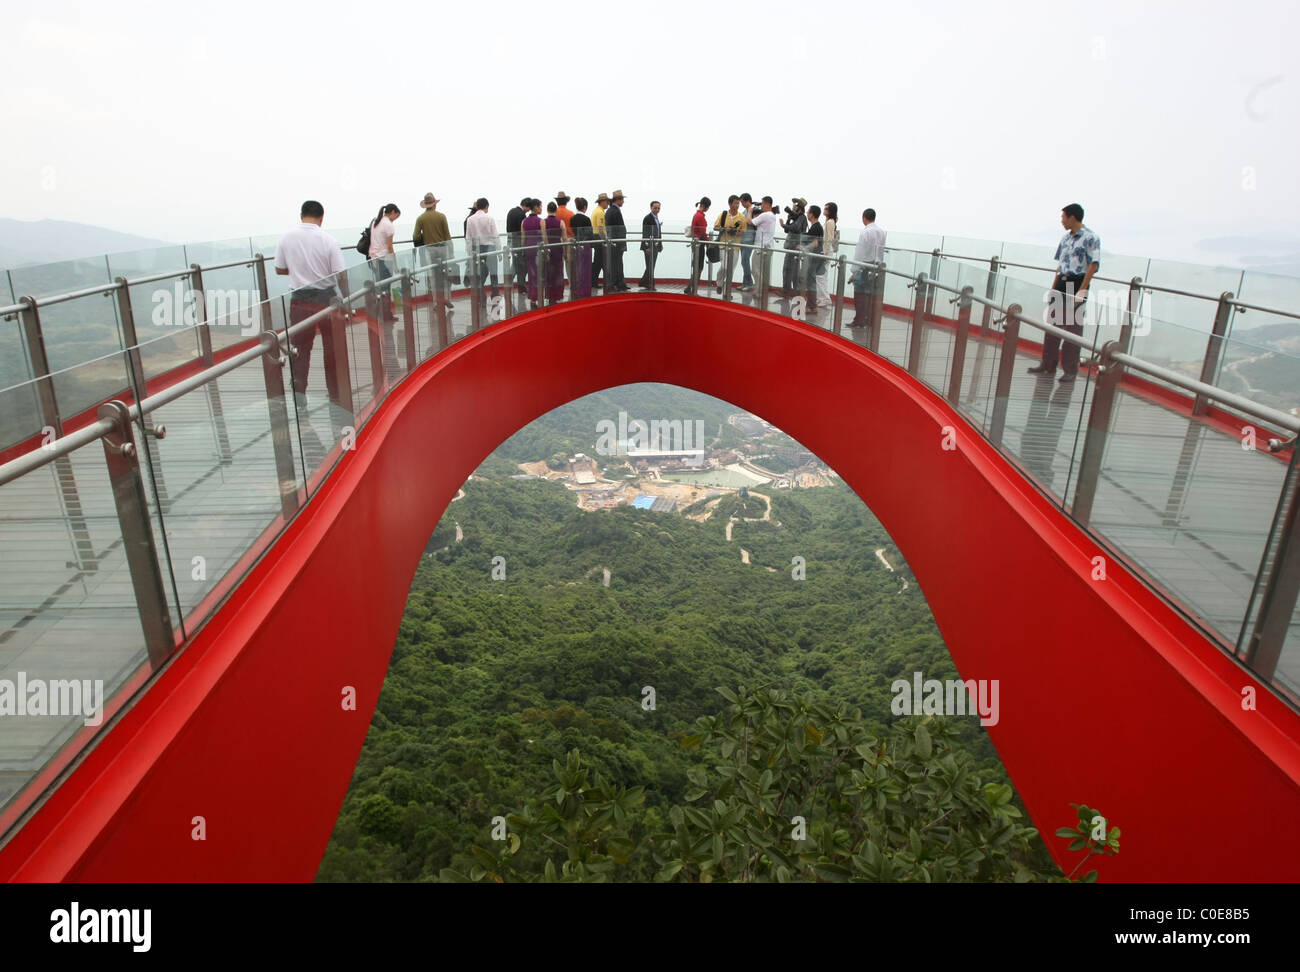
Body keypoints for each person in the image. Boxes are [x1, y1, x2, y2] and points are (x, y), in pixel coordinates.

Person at [273, 200, 348, 410]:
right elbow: (340, 273)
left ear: (301, 215)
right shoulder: (328, 239)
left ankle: (299, 397)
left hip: (300, 299)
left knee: (300, 349)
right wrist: (346, 298)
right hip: (327, 299)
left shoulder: (286, 237)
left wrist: (299, 270)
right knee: (332, 348)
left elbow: (279, 269)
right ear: (322, 218)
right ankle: (335, 394)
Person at [1028, 203, 1101, 383]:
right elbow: (1060, 266)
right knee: (1052, 326)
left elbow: (1093, 265)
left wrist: (1082, 290)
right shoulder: (1065, 239)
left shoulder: (1091, 237)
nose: (1061, 221)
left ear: (1072, 217)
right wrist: (1053, 289)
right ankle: (1047, 365)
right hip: (1062, 282)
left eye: (1063, 217)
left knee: (1072, 330)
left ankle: (1069, 370)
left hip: (1077, 283)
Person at [367, 202, 401, 374]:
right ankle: (385, 313)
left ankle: (383, 312)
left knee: (381, 288)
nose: (396, 220)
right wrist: (394, 263)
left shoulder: (376, 221)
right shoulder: (388, 225)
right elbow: (390, 247)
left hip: (373, 258)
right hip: (383, 259)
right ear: (393, 212)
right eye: (397, 216)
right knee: (386, 287)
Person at [412, 192, 453, 308]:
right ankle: (447, 298)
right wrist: (451, 252)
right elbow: (447, 236)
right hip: (443, 248)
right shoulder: (441, 216)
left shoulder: (421, 218)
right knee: (445, 275)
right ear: (434, 204)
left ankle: (436, 302)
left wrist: (424, 236)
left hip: (429, 250)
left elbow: (415, 236)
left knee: (433, 277)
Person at [849, 208, 886, 328]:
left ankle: (859, 320)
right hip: (876, 266)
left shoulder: (865, 232)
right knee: (870, 295)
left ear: (864, 217)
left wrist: (854, 271)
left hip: (864, 265)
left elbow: (860, 252)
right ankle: (869, 320)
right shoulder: (881, 232)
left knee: (859, 294)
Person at [464, 197, 500, 295]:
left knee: (480, 272)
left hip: (477, 248)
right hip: (490, 248)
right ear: (486, 206)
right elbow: (495, 236)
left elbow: (468, 238)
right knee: (493, 271)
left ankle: (480, 292)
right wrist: (499, 250)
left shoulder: (470, 219)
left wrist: (469, 252)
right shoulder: (490, 218)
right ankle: (495, 292)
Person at [713, 195, 746, 293]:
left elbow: (743, 231)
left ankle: (727, 290)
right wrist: (725, 229)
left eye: (738, 203)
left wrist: (735, 232)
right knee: (724, 266)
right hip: (723, 245)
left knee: (731, 269)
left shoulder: (742, 217)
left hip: (735, 246)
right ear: (730, 204)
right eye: (735, 203)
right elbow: (715, 227)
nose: (737, 205)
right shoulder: (723, 215)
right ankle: (719, 283)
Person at [750, 196, 780, 293]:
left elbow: (750, 222)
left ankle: (758, 290)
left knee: (755, 269)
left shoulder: (765, 215)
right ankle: (762, 290)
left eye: (762, 203)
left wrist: (750, 211)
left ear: (767, 204)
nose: (761, 206)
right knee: (763, 271)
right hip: (768, 246)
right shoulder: (772, 215)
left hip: (760, 247)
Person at [780, 197, 808, 297]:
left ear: (798, 209)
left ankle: (790, 291)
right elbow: (787, 230)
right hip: (791, 247)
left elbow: (795, 228)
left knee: (791, 270)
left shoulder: (801, 217)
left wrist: (784, 225)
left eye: (794, 207)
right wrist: (788, 221)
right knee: (789, 269)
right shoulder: (797, 218)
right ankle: (789, 290)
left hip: (794, 248)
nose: (792, 209)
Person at [800, 204, 824, 310]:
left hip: (814, 258)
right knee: (810, 280)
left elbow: (815, 243)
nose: (807, 214)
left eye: (808, 212)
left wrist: (804, 247)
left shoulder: (816, 227)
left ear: (812, 214)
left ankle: (811, 306)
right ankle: (811, 304)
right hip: (814, 258)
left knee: (811, 281)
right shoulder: (816, 227)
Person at [605, 190, 629, 291]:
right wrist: (623, 243)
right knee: (617, 263)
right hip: (617, 242)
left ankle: (618, 283)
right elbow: (620, 229)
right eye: (622, 199)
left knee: (616, 263)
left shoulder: (610, 210)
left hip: (613, 242)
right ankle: (617, 284)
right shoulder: (615, 211)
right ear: (618, 200)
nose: (623, 201)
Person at [506, 197, 530, 295]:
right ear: (525, 205)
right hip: (518, 241)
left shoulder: (511, 211)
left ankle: (509, 282)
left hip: (511, 240)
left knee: (516, 263)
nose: (529, 210)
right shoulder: (521, 214)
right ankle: (521, 286)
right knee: (521, 265)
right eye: (529, 208)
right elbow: (522, 230)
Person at [570, 196, 594, 298]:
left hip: (576, 245)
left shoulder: (572, 219)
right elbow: (590, 234)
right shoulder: (586, 219)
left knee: (578, 268)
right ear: (584, 207)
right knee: (586, 269)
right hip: (586, 245)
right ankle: (585, 291)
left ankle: (577, 290)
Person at [521, 199, 544, 308]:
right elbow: (544, 238)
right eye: (540, 206)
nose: (541, 208)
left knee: (531, 275)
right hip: (538, 250)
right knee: (539, 274)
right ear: (535, 207)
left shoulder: (524, 221)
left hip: (528, 249)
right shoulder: (541, 221)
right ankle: (538, 297)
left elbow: (523, 238)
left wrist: (523, 250)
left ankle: (533, 299)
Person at [817, 202, 839, 307]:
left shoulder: (830, 222)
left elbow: (829, 238)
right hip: (826, 250)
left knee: (821, 276)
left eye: (826, 208)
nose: (824, 210)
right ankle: (822, 298)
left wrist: (825, 254)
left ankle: (825, 298)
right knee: (822, 276)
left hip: (826, 251)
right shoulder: (829, 221)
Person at [687, 196, 711, 293]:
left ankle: (690, 287)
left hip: (696, 242)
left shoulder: (696, 215)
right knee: (699, 267)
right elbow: (703, 233)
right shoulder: (700, 217)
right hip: (699, 244)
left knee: (696, 266)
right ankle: (694, 290)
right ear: (705, 206)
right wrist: (708, 243)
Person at [543, 201, 566, 303]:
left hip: (549, 249)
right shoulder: (561, 222)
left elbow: (544, 237)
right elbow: (564, 238)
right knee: (558, 272)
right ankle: (557, 295)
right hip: (558, 248)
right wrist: (565, 252)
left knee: (549, 273)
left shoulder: (543, 222)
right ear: (556, 210)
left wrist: (547, 250)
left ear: (547, 210)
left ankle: (549, 295)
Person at [639, 200, 662, 290]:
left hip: (655, 245)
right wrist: (647, 247)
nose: (657, 209)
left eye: (658, 208)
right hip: (649, 245)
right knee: (650, 265)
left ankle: (645, 282)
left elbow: (656, 231)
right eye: (655, 208)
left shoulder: (656, 218)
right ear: (651, 208)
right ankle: (648, 283)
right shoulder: (647, 218)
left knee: (651, 265)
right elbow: (645, 233)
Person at [555, 191, 575, 291]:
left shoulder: (554, 214)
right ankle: (572, 285)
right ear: (566, 202)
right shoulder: (570, 213)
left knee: (557, 266)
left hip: (557, 241)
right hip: (569, 240)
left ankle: (558, 287)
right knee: (569, 266)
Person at [591, 192, 609, 288]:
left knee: (598, 261)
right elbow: (601, 228)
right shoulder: (600, 212)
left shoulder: (596, 210)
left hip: (595, 236)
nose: (608, 203)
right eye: (606, 201)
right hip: (599, 237)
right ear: (602, 202)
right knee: (599, 261)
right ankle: (594, 281)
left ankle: (594, 281)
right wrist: (605, 240)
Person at [738, 192, 756, 290]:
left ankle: (749, 283)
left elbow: (753, 223)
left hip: (749, 239)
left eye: (742, 202)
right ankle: (745, 283)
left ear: (747, 200)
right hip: (743, 239)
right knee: (743, 261)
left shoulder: (752, 210)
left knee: (745, 261)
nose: (741, 204)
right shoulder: (745, 211)